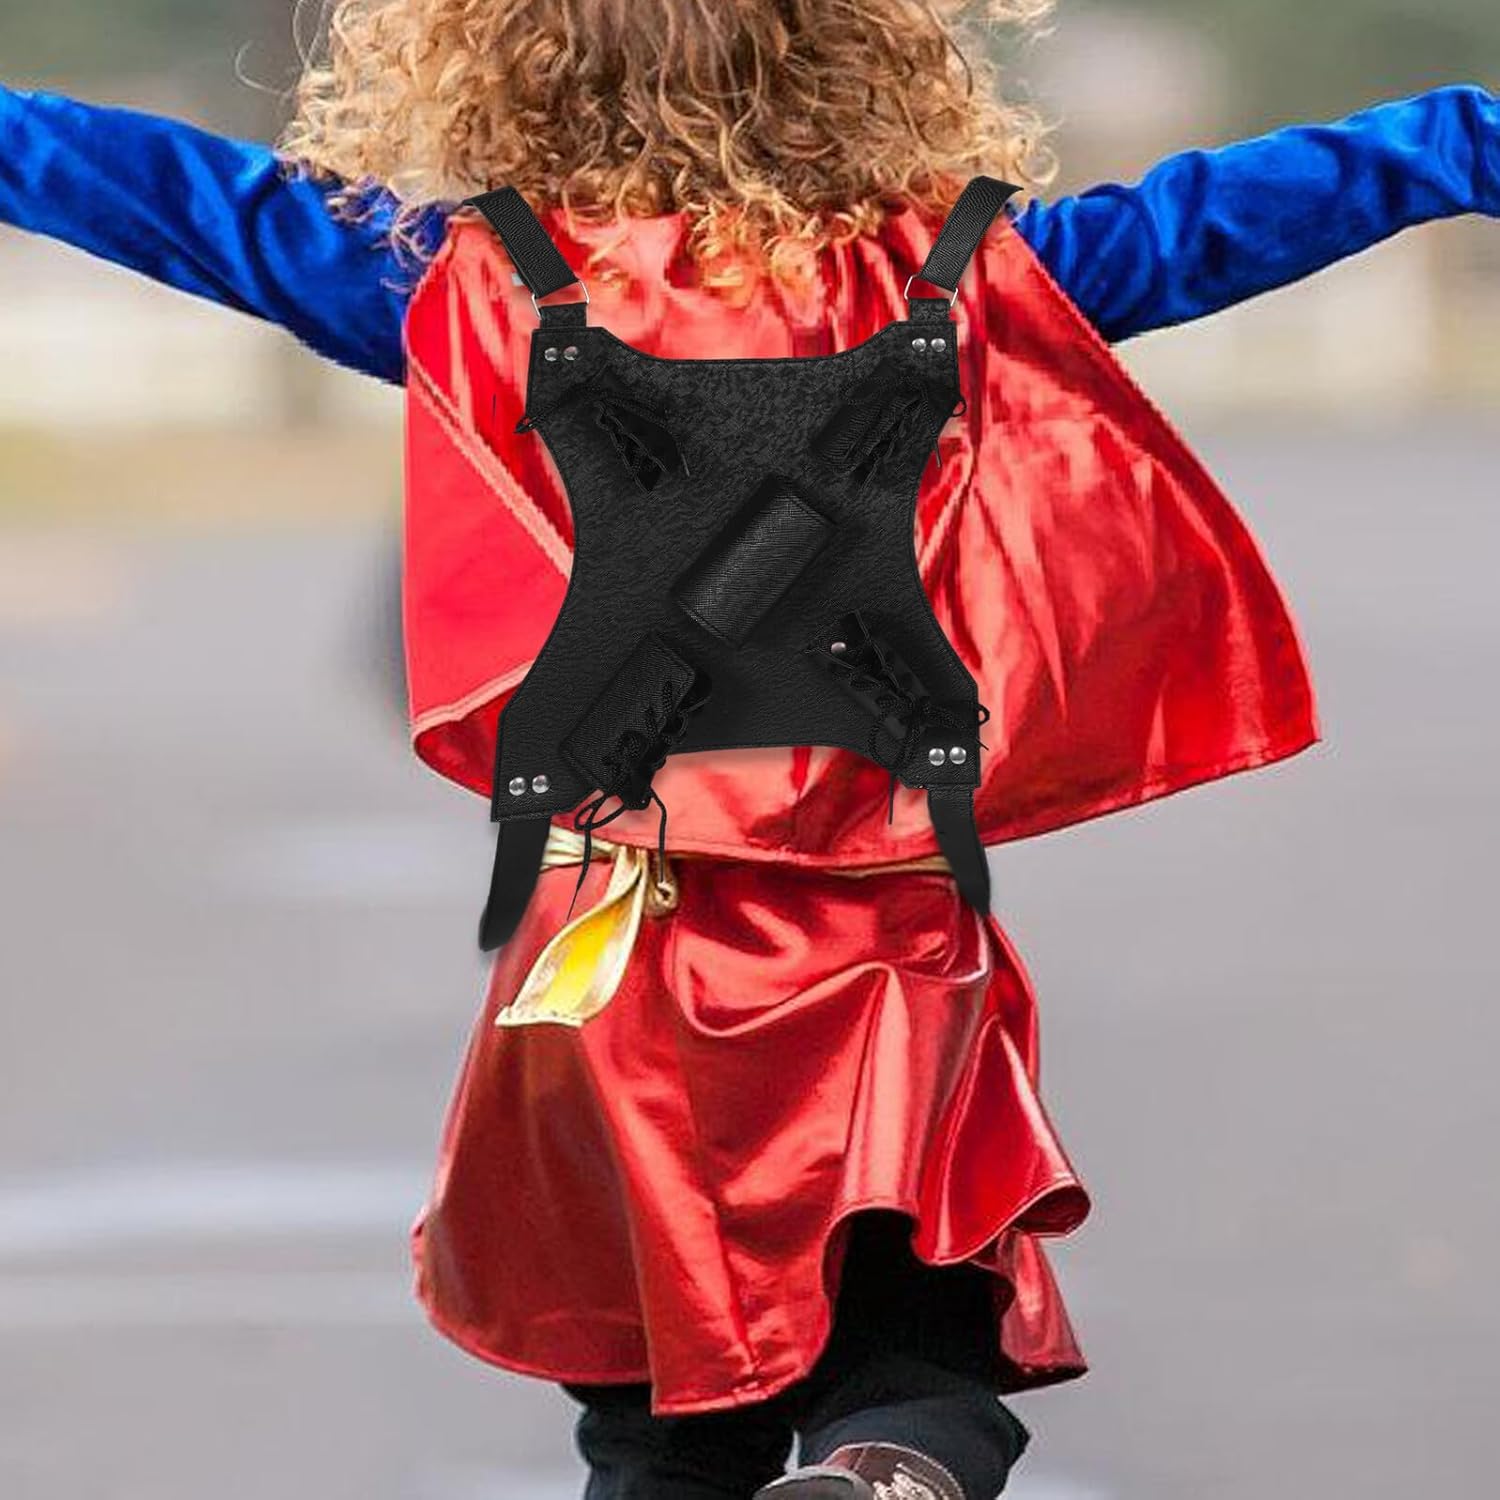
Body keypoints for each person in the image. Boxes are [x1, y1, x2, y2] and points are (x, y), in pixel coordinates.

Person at [3, 3, 1497, 1496]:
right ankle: (883, 1469)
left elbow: (174, 195)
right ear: (856, 54)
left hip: (612, 938)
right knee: (920, 1360)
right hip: (887, 928)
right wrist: (1465, 139)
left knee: (664, 1426)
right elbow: (1223, 215)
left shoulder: (476, 283)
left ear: (505, 63)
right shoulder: (958, 274)